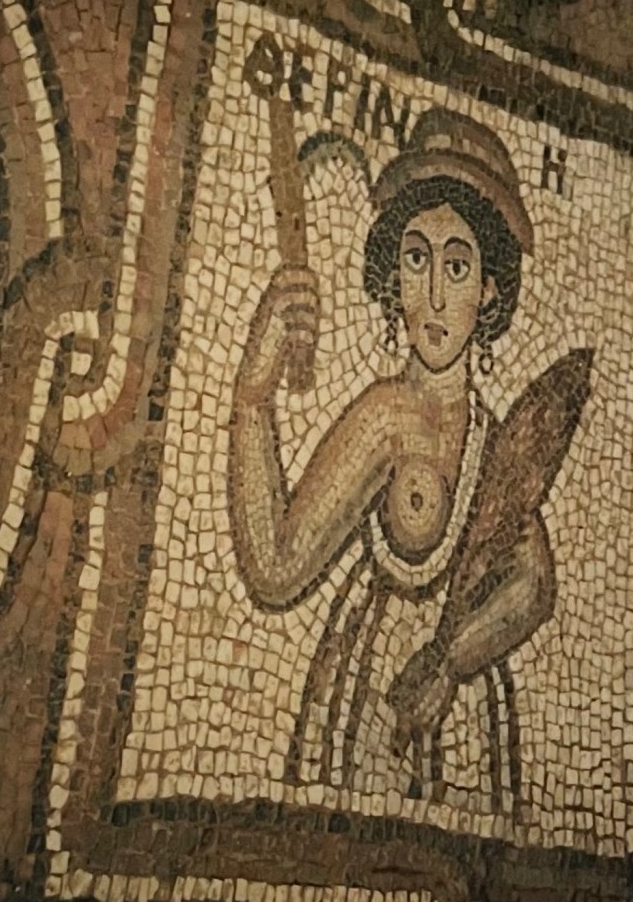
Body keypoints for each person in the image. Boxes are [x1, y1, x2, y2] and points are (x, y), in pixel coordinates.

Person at [227, 108, 592, 795]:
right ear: (393, 273)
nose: (434, 294)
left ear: (488, 288)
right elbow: (275, 567)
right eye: (417, 258)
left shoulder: (489, 436)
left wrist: (451, 661)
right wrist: (252, 396)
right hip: (373, 700)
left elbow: (534, 584)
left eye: (457, 266)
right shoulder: (385, 417)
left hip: (459, 722)